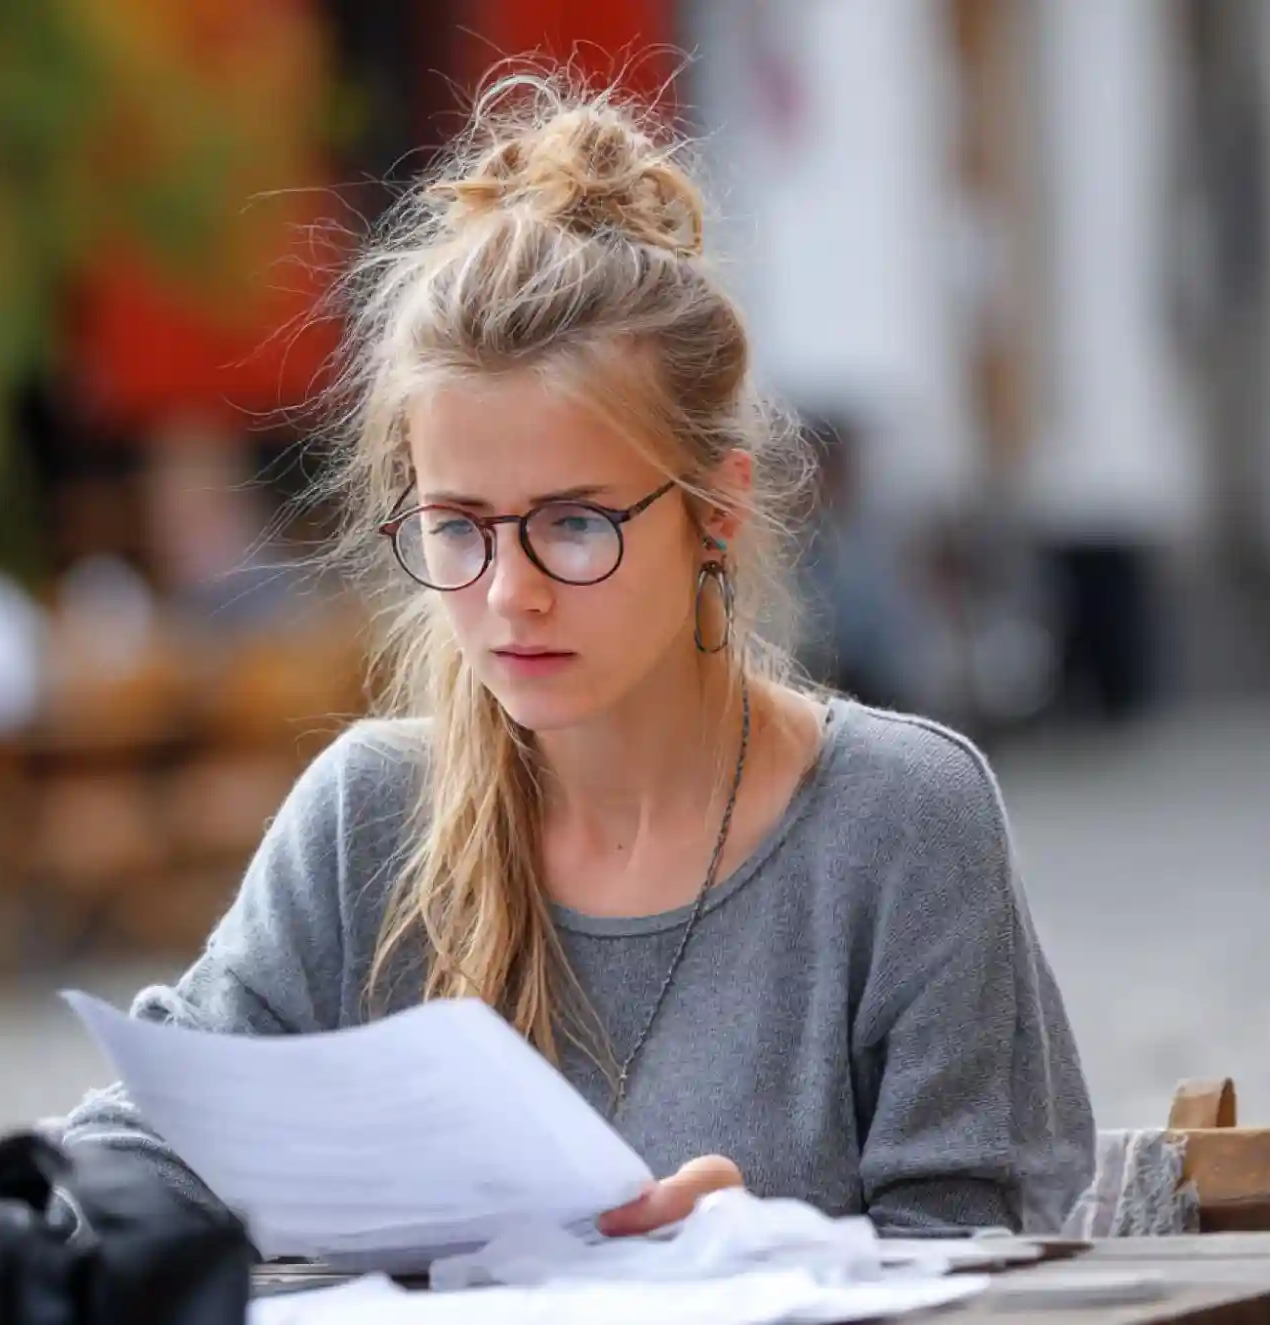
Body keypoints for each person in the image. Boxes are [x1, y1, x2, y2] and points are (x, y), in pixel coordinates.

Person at [60, 72, 1094, 1238]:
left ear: (717, 510)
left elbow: (993, 1266)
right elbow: (142, 1143)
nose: (509, 594)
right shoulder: (369, 820)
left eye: (573, 524)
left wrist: (758, 1256)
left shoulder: (898, 823)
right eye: (457, 527)